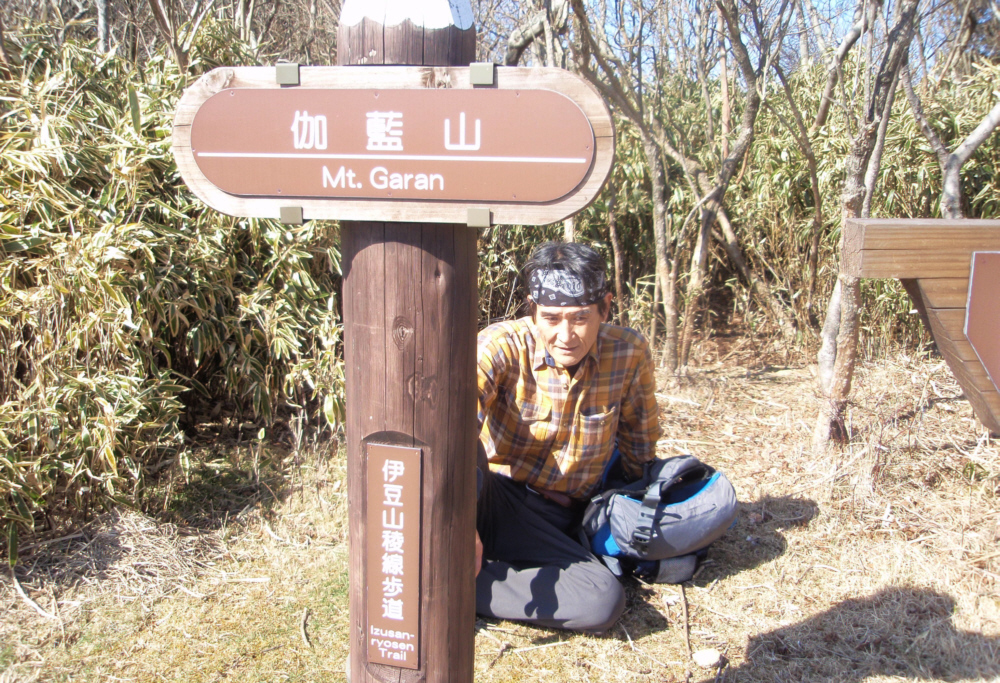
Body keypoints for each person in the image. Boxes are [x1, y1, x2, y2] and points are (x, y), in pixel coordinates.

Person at [474, 241, 661, 633]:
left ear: (605, 308)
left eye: (580, 318)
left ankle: (463, 584)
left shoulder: (628, 354)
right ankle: (458, 560)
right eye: (552, 318)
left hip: (563, 516)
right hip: (492, 498)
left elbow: (638, 447)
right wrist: (460, 524)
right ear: (532, 311)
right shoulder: (501, 346)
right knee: (460, 446)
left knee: (602, 601)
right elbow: (450, 429)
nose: (566, 335)